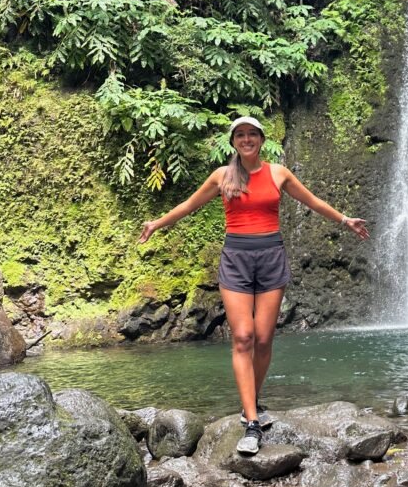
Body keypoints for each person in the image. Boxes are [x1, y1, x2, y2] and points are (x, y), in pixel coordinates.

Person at [139, 116, 369, 455]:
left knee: (263, 338)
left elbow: (313, 201)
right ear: (234, 142)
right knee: (243, 337)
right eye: (240, 135)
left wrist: (344, 219)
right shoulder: (222, 176)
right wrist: (157, 223)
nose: (246, 139)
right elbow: (189, 206)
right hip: (236, 258)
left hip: (271, 256)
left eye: (252, 134)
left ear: (261, 139)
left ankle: (253, 399)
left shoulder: (278, 173)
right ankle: (251, 421)